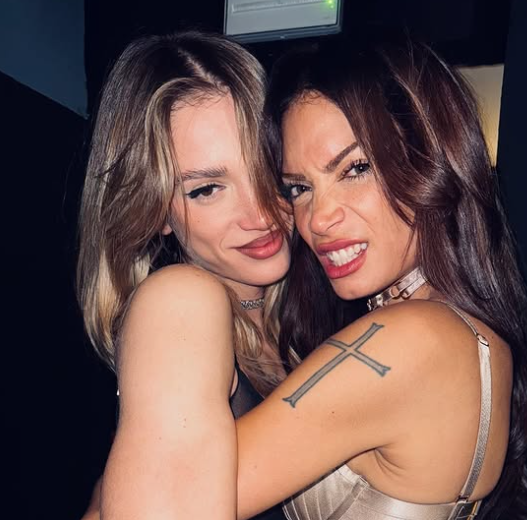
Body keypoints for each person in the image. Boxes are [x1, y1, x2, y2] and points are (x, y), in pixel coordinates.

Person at [231, 39, 527, 520]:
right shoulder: (462, 334)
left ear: (432, 161)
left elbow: (171, 499)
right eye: (299, 188)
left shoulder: (413, 339)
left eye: (355, 168)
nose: (317, 218)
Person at [76, 30, 290, 520]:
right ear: (157, 212)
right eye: (207, 189)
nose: (259, 213)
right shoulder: (179, 303)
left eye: (266, 164)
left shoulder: (300, 322)